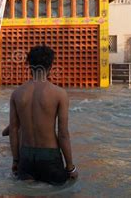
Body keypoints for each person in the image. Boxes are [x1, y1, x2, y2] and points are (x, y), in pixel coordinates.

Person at [8, 45, 78, 185]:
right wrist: (70, 167)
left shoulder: (17, 93)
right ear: (50, 67)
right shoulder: (59, 94)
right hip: (49, 156)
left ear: (29, 66)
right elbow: (63, 134)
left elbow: (13, 130)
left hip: (26, 157)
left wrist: (16, 160)